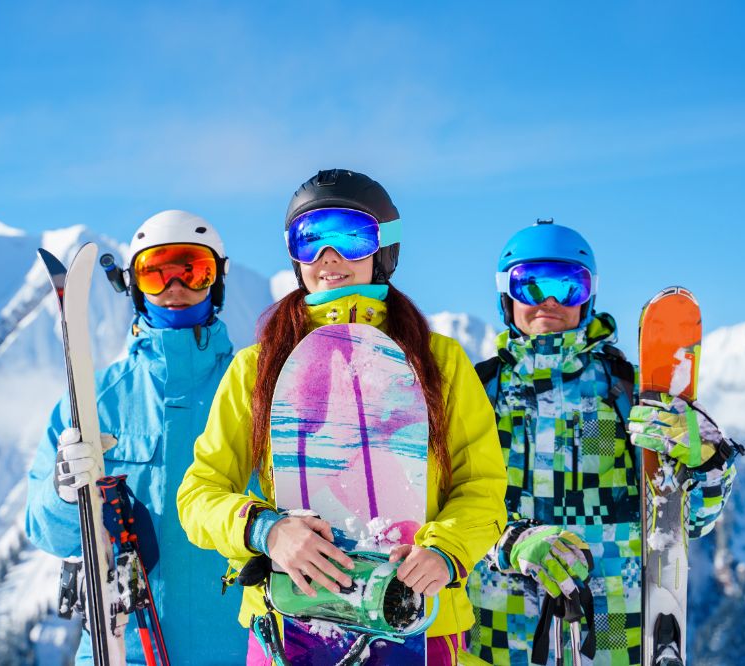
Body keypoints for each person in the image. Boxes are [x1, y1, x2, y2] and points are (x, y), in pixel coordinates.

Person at [176, 169, 508, 666]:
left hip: (419, 618)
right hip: (289, 623)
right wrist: (267, 530)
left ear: (384, 250)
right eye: (309, 240)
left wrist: (446, 550)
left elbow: (482, 486)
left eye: (350, 237)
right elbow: (199, 494)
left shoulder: (438, 362)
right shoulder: (257, 368)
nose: (327, 258)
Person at [465, 219, 744, 666]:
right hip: (501, 634)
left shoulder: (626, 393)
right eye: (531, 285)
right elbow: (449, 508)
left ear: (588, 297)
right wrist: (509, 542)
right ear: (506, 296)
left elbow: (684, 524)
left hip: (611, 632)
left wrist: (709, 462)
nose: (550, 300)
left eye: (569, 286)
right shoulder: (475, 394)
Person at [25, 210, 247, 664]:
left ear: (218, 280)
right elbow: (47, 532)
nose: (175, 288)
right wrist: (63, 495)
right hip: (121, 646)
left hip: (237, 645)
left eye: (193, 271)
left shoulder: (254, 390)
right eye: (155, 274)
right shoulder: (93, 400)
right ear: (132, 285)